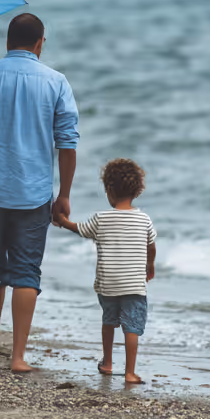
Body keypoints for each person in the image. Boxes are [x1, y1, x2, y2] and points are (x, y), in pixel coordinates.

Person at [0, 12, 79, 372]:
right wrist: (64, 194)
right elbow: (67, 143)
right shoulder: (56, 82)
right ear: (40, 43)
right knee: (27, 272)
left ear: (7, 42)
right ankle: (19, 356)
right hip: (35, 192)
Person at [53, 158, 157, 385]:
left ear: (109, 190)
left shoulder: (101, 219)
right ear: (138, 190)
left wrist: (62, 220)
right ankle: (130, 372)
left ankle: (108, 363)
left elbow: (79, 229)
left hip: (108, 284)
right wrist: (150, 266)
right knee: (132, 327)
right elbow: (151, 246)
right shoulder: (144, 219)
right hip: (134, 285)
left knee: (109, 321)